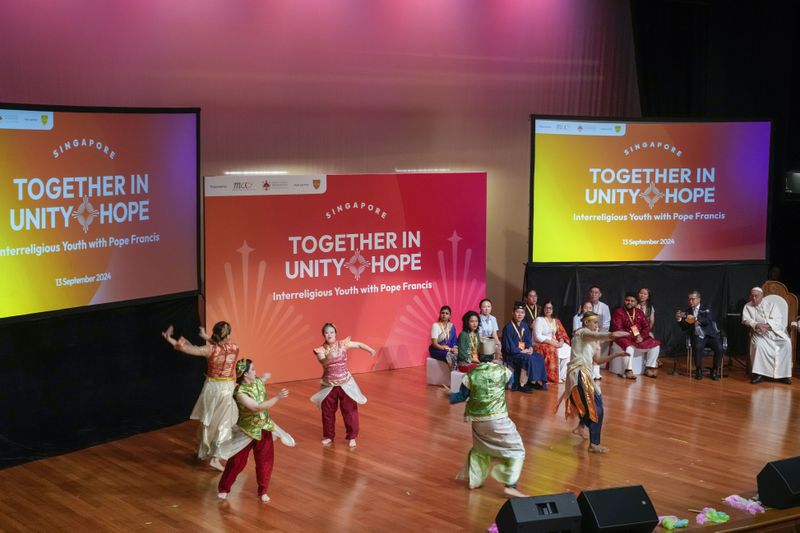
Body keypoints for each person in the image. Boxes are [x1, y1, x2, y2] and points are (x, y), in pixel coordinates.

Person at [162, 321, 239, 471]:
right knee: (223, 422)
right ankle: (216, 457)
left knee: (209, 420)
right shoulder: (235, 348)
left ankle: (203, 450)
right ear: (228, 336)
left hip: (211, 388)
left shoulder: (208, 350)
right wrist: (206, 336)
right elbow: (221, 344)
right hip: (226, 389)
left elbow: (187, 349)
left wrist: (169, 338)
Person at [453, 350, 527, 498]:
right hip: (498, 419)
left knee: (480, 449)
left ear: (478, 357)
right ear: (493, 356)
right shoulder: (502, 371)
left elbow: (460, 397)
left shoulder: (471, 375)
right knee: (516, 449)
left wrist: (447, 394)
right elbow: (510, 384)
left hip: (478, 421)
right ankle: (510, 485)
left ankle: (474, 481)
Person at [216, 359, 290, 502]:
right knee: (237, 462)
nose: (255, 371)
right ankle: (224, 489)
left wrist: (265, 377)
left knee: (265, 461)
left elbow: (258, 381)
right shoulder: (240, 393)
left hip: (264, 427)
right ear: (245, 374)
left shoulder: (256, 381)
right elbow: (256, 407)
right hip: (247, 431)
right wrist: (277, 398)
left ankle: (263, 491)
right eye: (253, 370)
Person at [556, 312, 629, 453]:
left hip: (586, 375)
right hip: (578, 374)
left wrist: (617, 355)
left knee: (597, 402)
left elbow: (597, 360)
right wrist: (612, 335)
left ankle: (580, 427)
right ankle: (594, 444)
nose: (596, 325)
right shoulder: (583, 333)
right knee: (597, 409)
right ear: (586, 323)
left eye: (597, 322)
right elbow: (597, 335)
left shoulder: (592, 341)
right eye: (594, 322)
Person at [310, 323, 377, 447]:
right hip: (329, 385)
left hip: (346, 383)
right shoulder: (321, 350)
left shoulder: (343, 344)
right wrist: (328, 357)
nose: (329, 334)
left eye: (331, 332)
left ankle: (352, 437)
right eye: (326, 332)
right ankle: (328, 436)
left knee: (350, 411)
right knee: (327, 412)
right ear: (323, 335)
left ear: (335, 333)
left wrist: (370, 350)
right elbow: (323, 362)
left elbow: (358, 344)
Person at [742, 287, 792, 384]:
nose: (754, 298)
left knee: (786, 343)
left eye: (756, 296)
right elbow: (745, 320)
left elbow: (778, 320)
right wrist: (756, 324)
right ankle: (759, 374)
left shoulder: (772, 305)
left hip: (774, 332)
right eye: (752, 296)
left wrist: (766, 326)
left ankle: (783, 375)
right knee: (758, 345)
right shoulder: (747, 306)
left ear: (762, 296)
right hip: (759, 333)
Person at [610, 293, 661, 379]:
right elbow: (618, 329)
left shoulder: (639, 312)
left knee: (655, 344)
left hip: (639, 337)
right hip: (623, 337)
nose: (629, 302)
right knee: (628, 347)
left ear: (636, 302)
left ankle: (649, 367)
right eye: (627, 300)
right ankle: (628, 370)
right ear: (624, 301)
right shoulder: (618, 312)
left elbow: (646, 327)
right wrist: (634, 337)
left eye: (632, 301)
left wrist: (642, 336)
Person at [676, 290, 724, 380]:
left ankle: (714, 370)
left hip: (710, 335)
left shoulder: (706, 308)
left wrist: (695, 318)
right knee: (697, 347)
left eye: (693, 299)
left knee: (719, 348)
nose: (690, 301)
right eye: (689, 299)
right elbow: (684, 327)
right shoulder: (687, 312)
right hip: (698, 336)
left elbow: (707, 320)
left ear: (698, 299)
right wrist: (679, 319)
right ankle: (698, 370)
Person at [501, 302, 547, 393]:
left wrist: (530, 348)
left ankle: (534, 381)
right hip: (512, 354)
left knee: (539, 357)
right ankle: (521, 384)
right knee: (528, 359)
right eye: (517, 312)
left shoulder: (525, 325)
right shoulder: (508, 327)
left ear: (524, 314)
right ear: (513, 313)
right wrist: (522, 351)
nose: (519, 314)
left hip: (523, 351)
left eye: (522, 312)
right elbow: (508, 347)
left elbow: (528, 340)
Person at [533, 301, 571, 383]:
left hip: (555, 342)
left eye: (550, 308)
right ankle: (554, 377)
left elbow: (561, 333)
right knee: (552, 350)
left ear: (553, 309)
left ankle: (562, 375)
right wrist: (551, 342)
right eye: (546, 308)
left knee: (568, 349)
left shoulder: (556, 320)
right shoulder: (539, 319)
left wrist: (561, 341)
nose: (548, 310)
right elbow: (537, 336)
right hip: (542, 343)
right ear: (543, 309)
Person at [587, 286, 611, 379]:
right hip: (587, 333)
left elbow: (606, 323)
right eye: (592, 292)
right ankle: (591, 369)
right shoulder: (585, 305)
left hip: (600, 332)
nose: (594, 294)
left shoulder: (604, 307)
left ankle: (596, 371)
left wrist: (598, 334)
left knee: (597, 345)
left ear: (600, 295)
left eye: (596, 292)